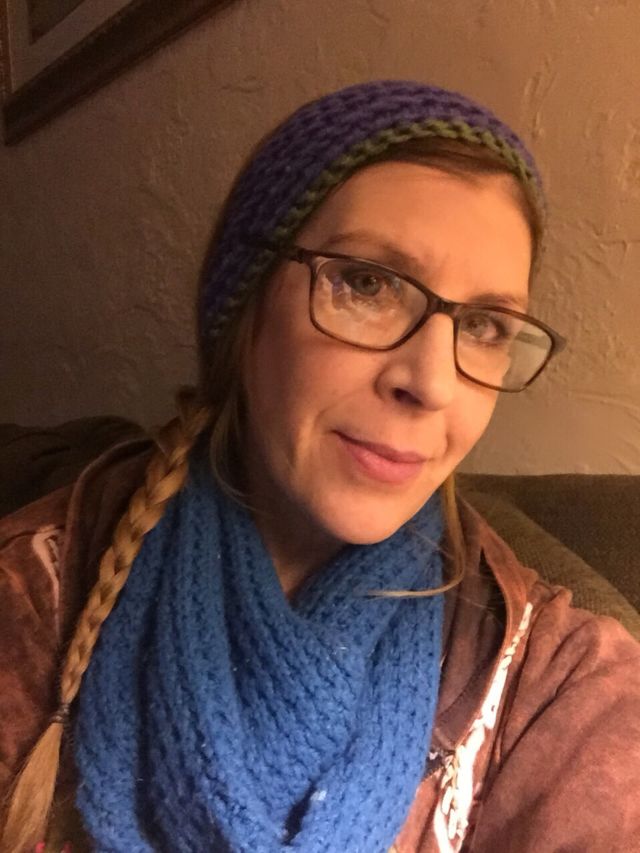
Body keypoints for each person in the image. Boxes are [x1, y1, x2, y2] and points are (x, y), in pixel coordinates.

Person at [1, 80, 638, 853]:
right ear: (246, 313)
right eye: (367, 283)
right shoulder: (33, 595)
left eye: (485, 325)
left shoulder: (563, 686)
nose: (432, 383)